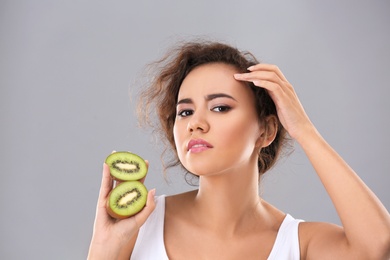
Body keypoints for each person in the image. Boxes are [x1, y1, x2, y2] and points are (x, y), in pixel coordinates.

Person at [88, 41, 390, 259]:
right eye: (185, 112)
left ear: (267, 131)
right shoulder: (138, 227)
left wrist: (304, 131)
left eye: (220, 107)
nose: (196, 124)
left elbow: (377, 245)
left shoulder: (297, 244)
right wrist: (103, 250)